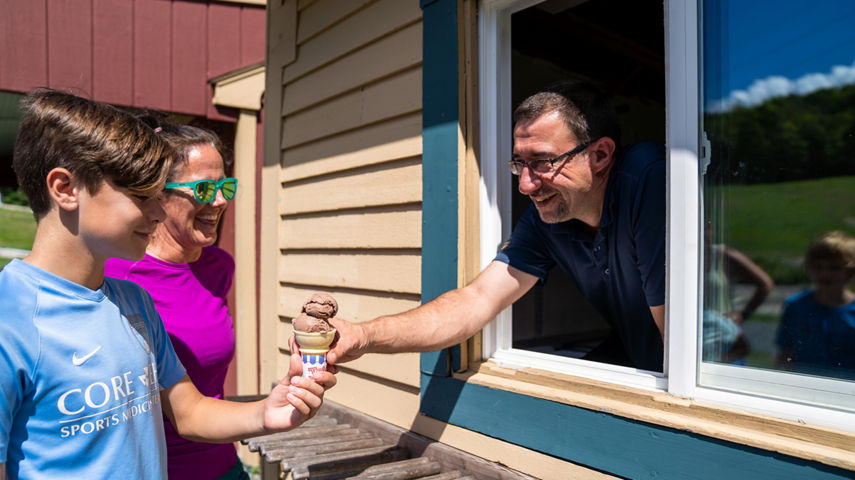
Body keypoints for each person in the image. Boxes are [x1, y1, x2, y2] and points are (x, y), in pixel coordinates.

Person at [0, 89, 335, 480]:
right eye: (142, 194)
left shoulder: (134, 303)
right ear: (66, 189)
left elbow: (189, 411)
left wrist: (267, 411)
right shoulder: (11, 319)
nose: (159, 211)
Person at [324, 80, 666, 372]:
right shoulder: (546, 220)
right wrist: (363, 336)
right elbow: (476, 299)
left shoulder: (647, 179)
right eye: (520, 164)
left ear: (601, 155)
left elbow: (681, 340)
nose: (526, 186)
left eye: (543, 162)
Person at [104, 120, 245, 479]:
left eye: (225, 186)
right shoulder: (117, 276)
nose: (219, 201)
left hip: (223, 466)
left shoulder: (218, 267)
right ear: (159, 195)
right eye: (203, 189)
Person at [775, 231, 855, 380]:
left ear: (850, 271)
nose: (825, 273)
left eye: (835, 268)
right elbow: (785, 354)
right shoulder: (795, 306)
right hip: (804, 387)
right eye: (818, 266)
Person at [703, 221, 774, 363]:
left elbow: (765, 284)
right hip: (698, 335)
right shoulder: (681, 257)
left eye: (706, 226)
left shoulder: (723, 254)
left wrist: (743, 314)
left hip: (725, 335)